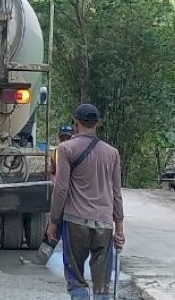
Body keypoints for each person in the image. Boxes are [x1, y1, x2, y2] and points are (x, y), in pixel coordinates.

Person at [47, 104, 125, 300]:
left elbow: (61, 187)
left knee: (76, 277)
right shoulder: (112, 153)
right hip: (104, 225)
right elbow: (117, 193)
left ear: (76, 122)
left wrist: (53, 221)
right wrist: (120, 228)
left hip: (75, 222)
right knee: (102, 284)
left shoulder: (65, 149)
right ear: (97, 124)